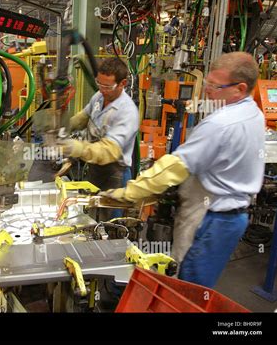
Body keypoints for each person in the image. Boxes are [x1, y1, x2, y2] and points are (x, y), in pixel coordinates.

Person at [100, 52, 265, 288]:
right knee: (198, 283)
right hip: (232, 218)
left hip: (213, 219)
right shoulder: (254, 113)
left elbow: (173, 168)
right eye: (207, 82)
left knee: (187, 285)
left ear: (239, 88)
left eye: (215, 86)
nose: (207, 90)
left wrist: (129, 193)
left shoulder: (221, 123)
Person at [59, 57, 139, 221]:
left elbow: (108, 152)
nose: (102, 90)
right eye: (99, 84)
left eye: (108, 86)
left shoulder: (127, 112)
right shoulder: (99, 96)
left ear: (123, 83)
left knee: (110, 224)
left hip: (115, 174)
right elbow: (84, 116)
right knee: (90, 217)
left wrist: (77, 148)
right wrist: (65, 127)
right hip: (95, 170)